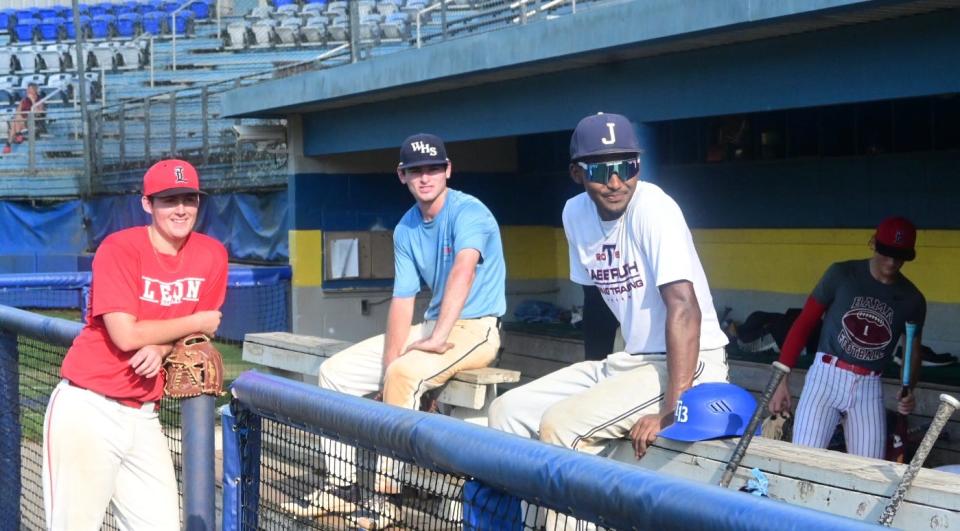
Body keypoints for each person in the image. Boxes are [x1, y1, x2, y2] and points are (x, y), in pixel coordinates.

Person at [490, 111, 729, 458]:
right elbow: (597, 304)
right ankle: (524, 513)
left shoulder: (654, 209)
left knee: (560, 424)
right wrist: (594, 391)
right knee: (507, 412)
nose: (616, 182)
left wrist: (674, 410)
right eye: (601, 171)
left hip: (691, 362)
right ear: (577, 173)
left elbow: (684, 306)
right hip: (629, 361)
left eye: (627, 167)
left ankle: (580, 514)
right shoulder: (574, 214)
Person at [310, 133, 506, 522]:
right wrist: (387, 366)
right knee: (334, 373)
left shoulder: (471, 211)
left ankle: (386, 499)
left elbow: (463, 272)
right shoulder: (406, 227)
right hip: (433, 325)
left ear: (448, 170)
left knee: (403, 375)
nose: (426, 177)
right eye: (416, 170)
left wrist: (436, 338)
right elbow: (402, 300)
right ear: (402, 175)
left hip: (477, 327)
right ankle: (342, 485)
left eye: (434, 168)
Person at [42, 159, 228, 530]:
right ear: (147, 204)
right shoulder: (119, 248)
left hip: (144, 414)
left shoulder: (212, 254)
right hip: (88, 407)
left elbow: (192, 338)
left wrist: (161, 349)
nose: (180, 209)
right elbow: (125, 335)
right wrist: (198, 322)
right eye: (168, 200)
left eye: (188, 199)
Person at [768, 216, 925, 459]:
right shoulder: (842, 273)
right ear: (873, 243)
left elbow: (913, 349)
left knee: (868, 472)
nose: (892, 261)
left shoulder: (912, 298)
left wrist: (909, 390)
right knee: (802, 461)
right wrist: (781, 378)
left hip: (869, 384)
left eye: (900, 255)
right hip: (827, 375)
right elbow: (805, 321)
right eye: (886, 252)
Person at [4, 83, 45, 154]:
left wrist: (32, 101)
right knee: (16, 120)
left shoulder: (39, 100)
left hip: (33, 120)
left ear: (35, 90)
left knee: (15, 122)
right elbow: (18, 111)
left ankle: (9, 144)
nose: (28, 91)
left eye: (30, 89)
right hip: (22, 121)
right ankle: (18, 135)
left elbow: (39, 113)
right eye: (27, 89)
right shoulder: (24, 100)